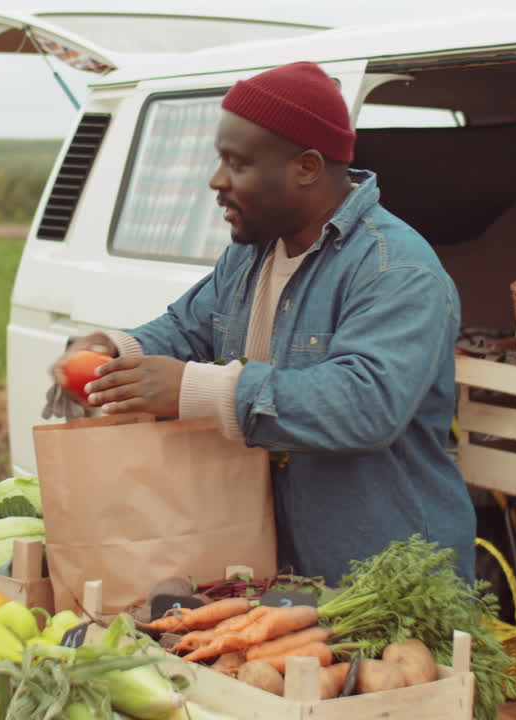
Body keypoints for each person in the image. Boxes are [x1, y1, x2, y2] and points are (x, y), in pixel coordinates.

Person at [52, 61, 476, 582]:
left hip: (382, 577)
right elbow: (188, 328)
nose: (217, 180)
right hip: (282, 565)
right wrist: (116, 350)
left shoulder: (396, 270)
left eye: (238, 162)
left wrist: (201, 390)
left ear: (306, 167)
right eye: (219, 159)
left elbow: (365, 405)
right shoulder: (254, 250)